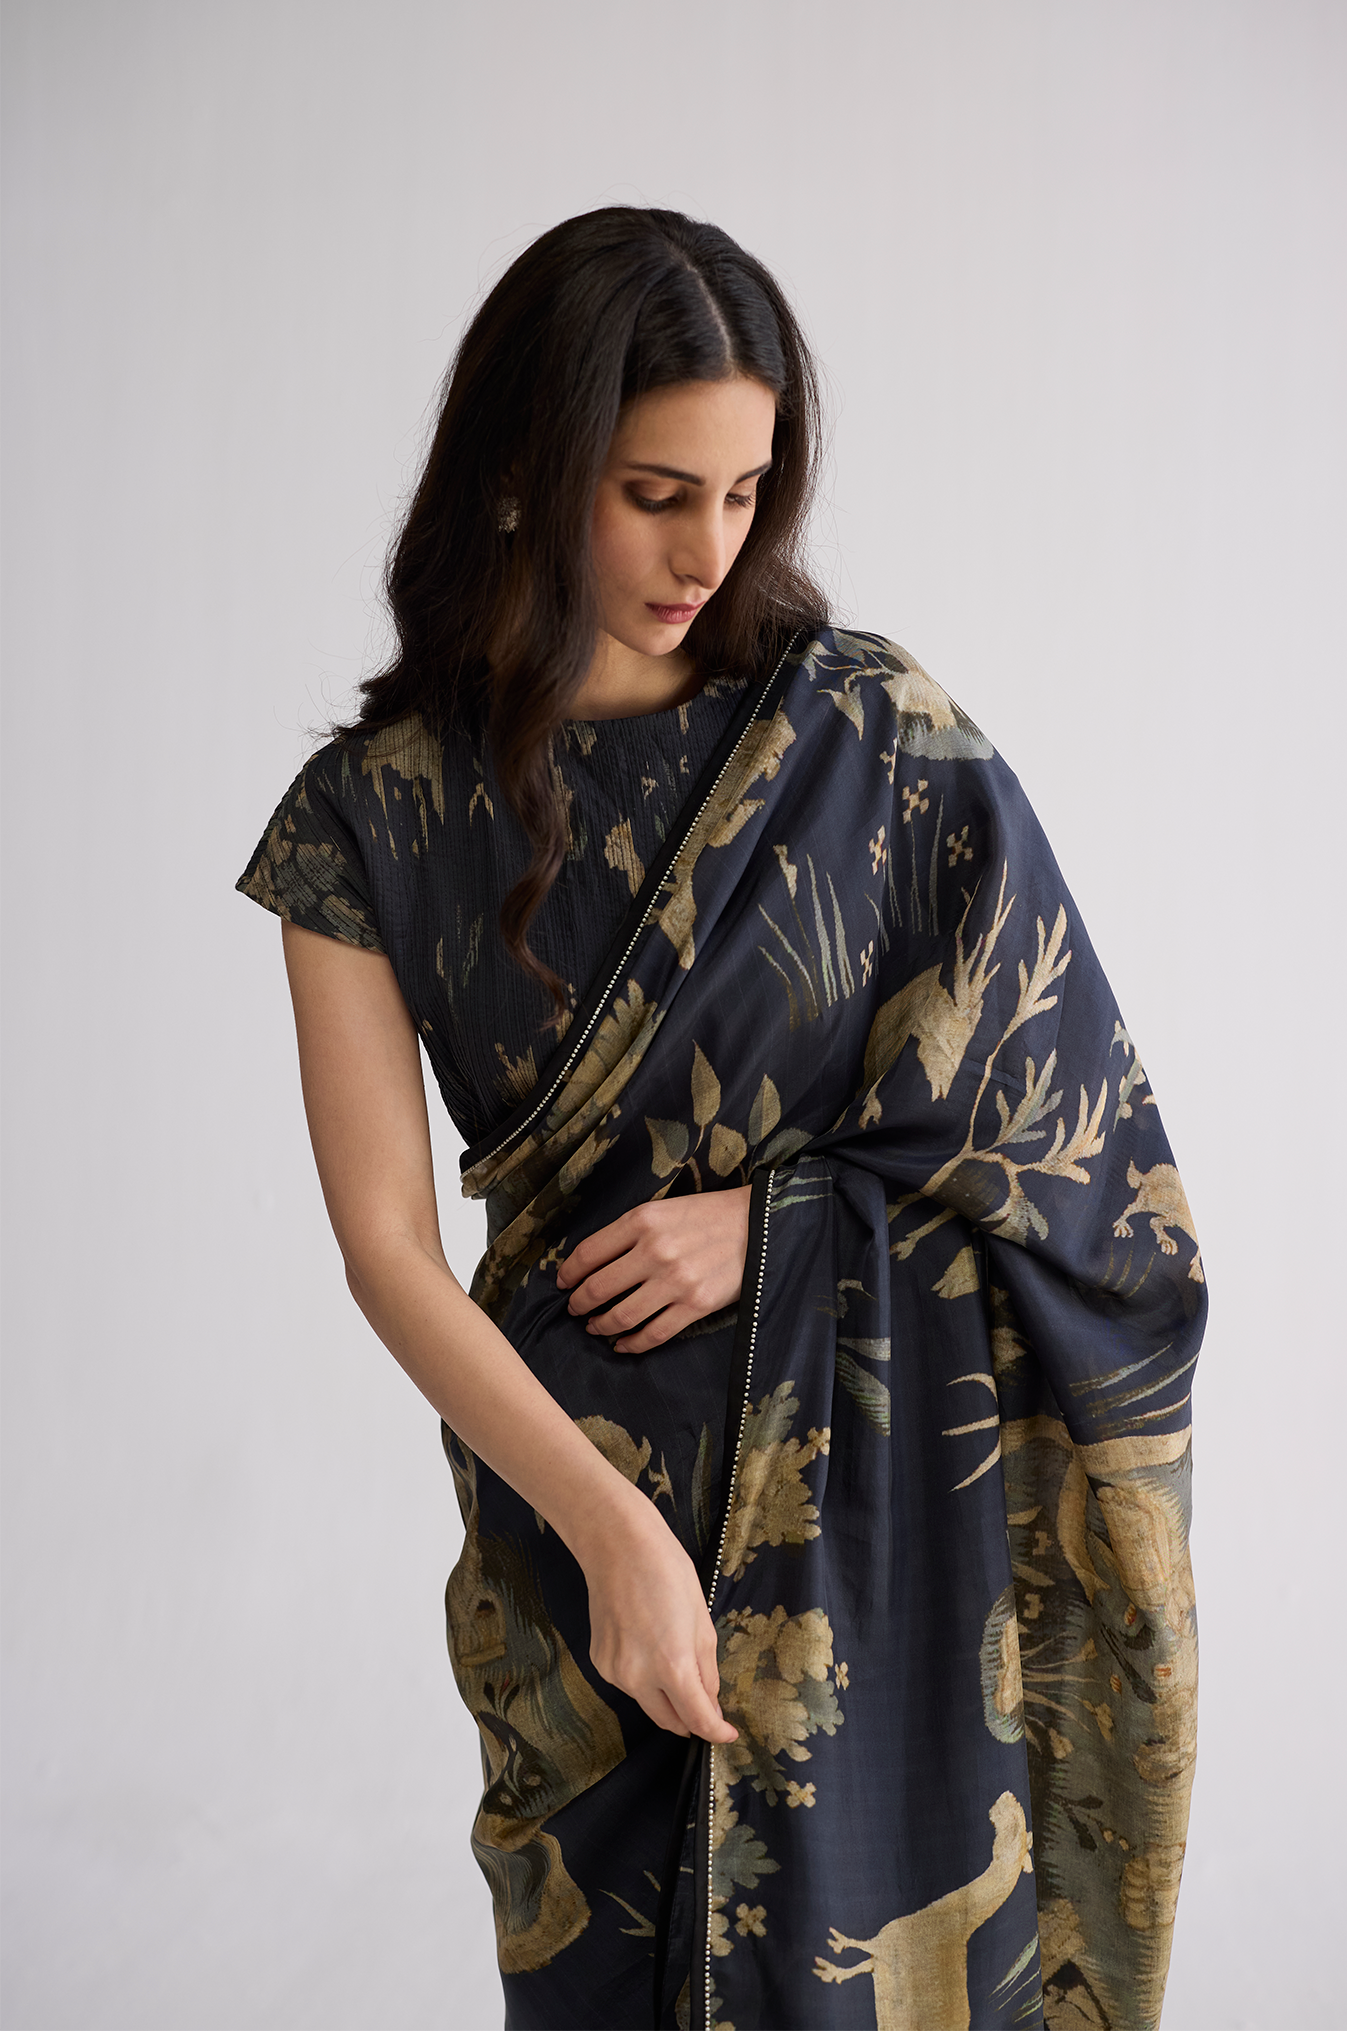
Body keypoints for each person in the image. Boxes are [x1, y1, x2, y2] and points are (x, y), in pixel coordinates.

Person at [237, 207, 1206, 2031]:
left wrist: (779, 1222)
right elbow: (384, 1252)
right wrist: (607, 1532)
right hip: (570, 1530)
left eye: (747, 493)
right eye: (655, 494)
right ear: (519, 476)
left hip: (886, 1546)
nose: (711, 549)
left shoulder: (871, 741)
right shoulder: (367, 819)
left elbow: (1086, 1158)